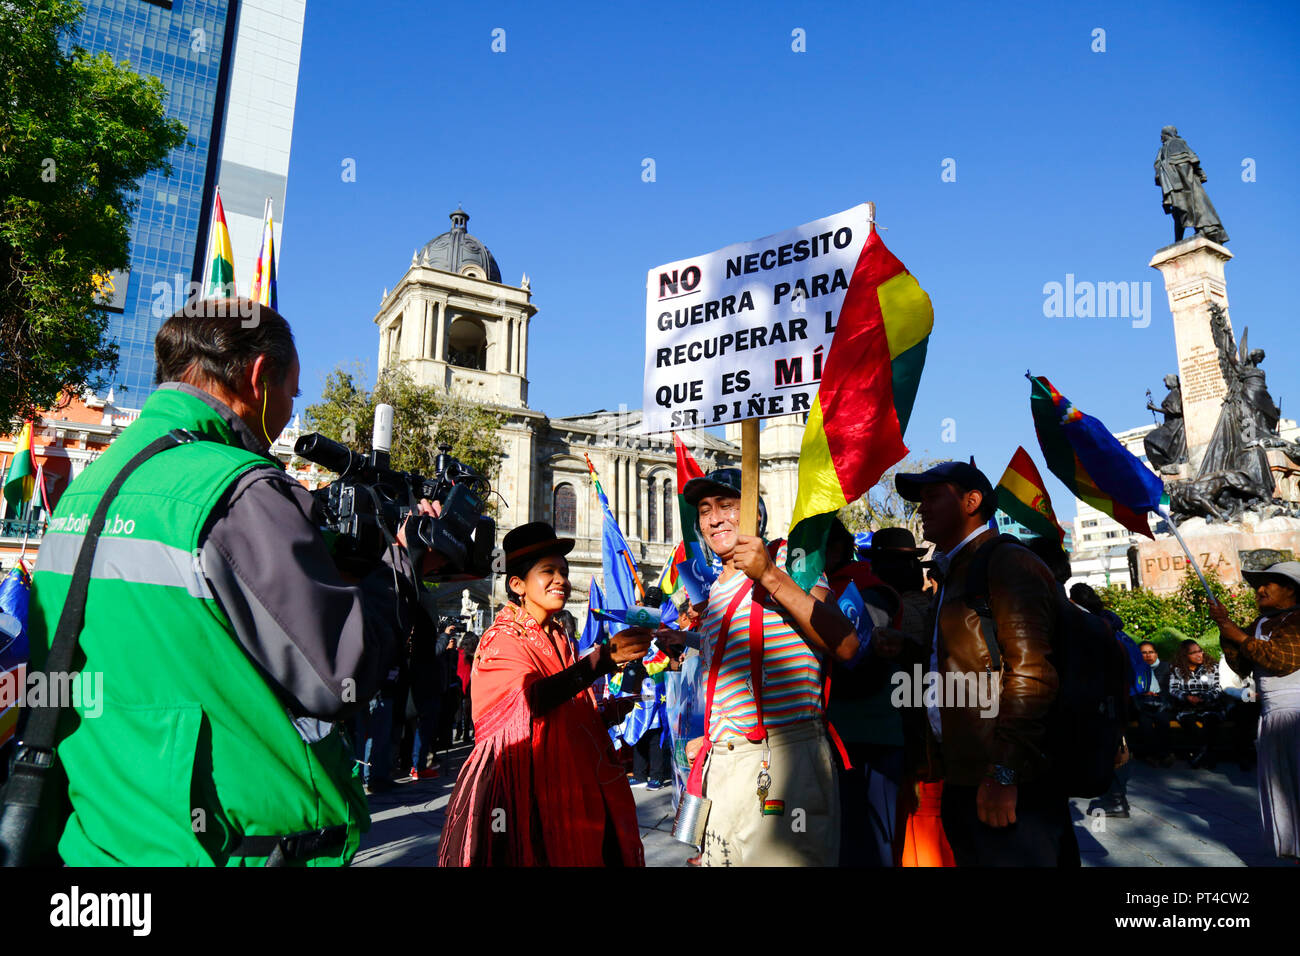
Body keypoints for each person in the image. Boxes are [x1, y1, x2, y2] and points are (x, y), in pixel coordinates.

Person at [23, 298, 434, 866]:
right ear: (259, 377)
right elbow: (338, 676)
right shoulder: (239, 488)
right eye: (291, 393)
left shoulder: (95, 482)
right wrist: (399, 571)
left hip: (103, 839)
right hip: (225, 849)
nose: (290, 412)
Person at [895, 461, 1078, 867]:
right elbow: (959, 663)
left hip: (1009, 780)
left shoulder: (1006, 563)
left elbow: (1032, 675)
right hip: (966, 775)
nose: (921, 509)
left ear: (972, 501)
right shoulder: (954, 572)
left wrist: (1005, 772)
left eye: (931, 497)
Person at [673, 468, 858, 867]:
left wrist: (769, 575)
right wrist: (712, 739)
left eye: (727, 506)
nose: (714, 518)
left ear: (756, 513)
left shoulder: (790, 559)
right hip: (722, 768)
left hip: (783, 761)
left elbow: (845, 644)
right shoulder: (715, 586)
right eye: (705, 510)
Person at [438, 522, 649, 865]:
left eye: (564, 572)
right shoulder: (501, 638)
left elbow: (563, 704)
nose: (561, 580)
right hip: (520, 790)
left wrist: (608, 712)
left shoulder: (560, 634)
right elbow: (528, 701)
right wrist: (602, 659)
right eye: (548, 571)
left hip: (572, 781)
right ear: (517, 584)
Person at [822, 518, 904, 867]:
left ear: (836, 549)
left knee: (870, 844)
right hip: (837, 737)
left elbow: (861, 660)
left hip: (867, 737)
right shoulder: (828, 586)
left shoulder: (868, 589)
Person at [1209, 561, 1300, 859]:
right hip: (1272, 716)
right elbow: (1241, 663)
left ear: (1290, 589)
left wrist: (1236, 634)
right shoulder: (1260, 624)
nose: (1259, 590)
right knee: (1283, 790)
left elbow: (1281, 660)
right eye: (1257, 585)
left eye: (1268, 583)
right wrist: (1226, 629)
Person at [1069, 581, 1137, 818]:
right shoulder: (1109, 624)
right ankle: (1115, 797)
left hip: (1105, 697)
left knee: (1112, 746)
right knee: (1117, 743)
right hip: (1118, 695)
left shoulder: (1092, 627)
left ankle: (1116, 799)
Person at [1167, 638, 1226, 768]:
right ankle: (1205, 754)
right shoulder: (1176, 669)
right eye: (1193, 653)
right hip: (1187, 707)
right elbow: (1173, 689)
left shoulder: (1213, 667)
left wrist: (1206, 697)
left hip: (1209, 705)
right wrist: (1187, 697)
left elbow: (1218, 688)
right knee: (1190, 723)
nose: (1199, 655)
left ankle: (1200, 755)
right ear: (1184, 655)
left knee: (1210, 721)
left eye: (1200, 651)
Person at [1133, 642, 1176, 767]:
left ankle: (1164, 754)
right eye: (1144, 653)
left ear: (1156, 654)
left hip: (1162, 703)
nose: (1148, 655)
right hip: (1143, 704)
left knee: (1162, 721)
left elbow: (1171, 689)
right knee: (1145, 723)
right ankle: (1153, 755)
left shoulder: (1166, 667)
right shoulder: (1135, 669)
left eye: (1151, 652)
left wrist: (1159, 696)